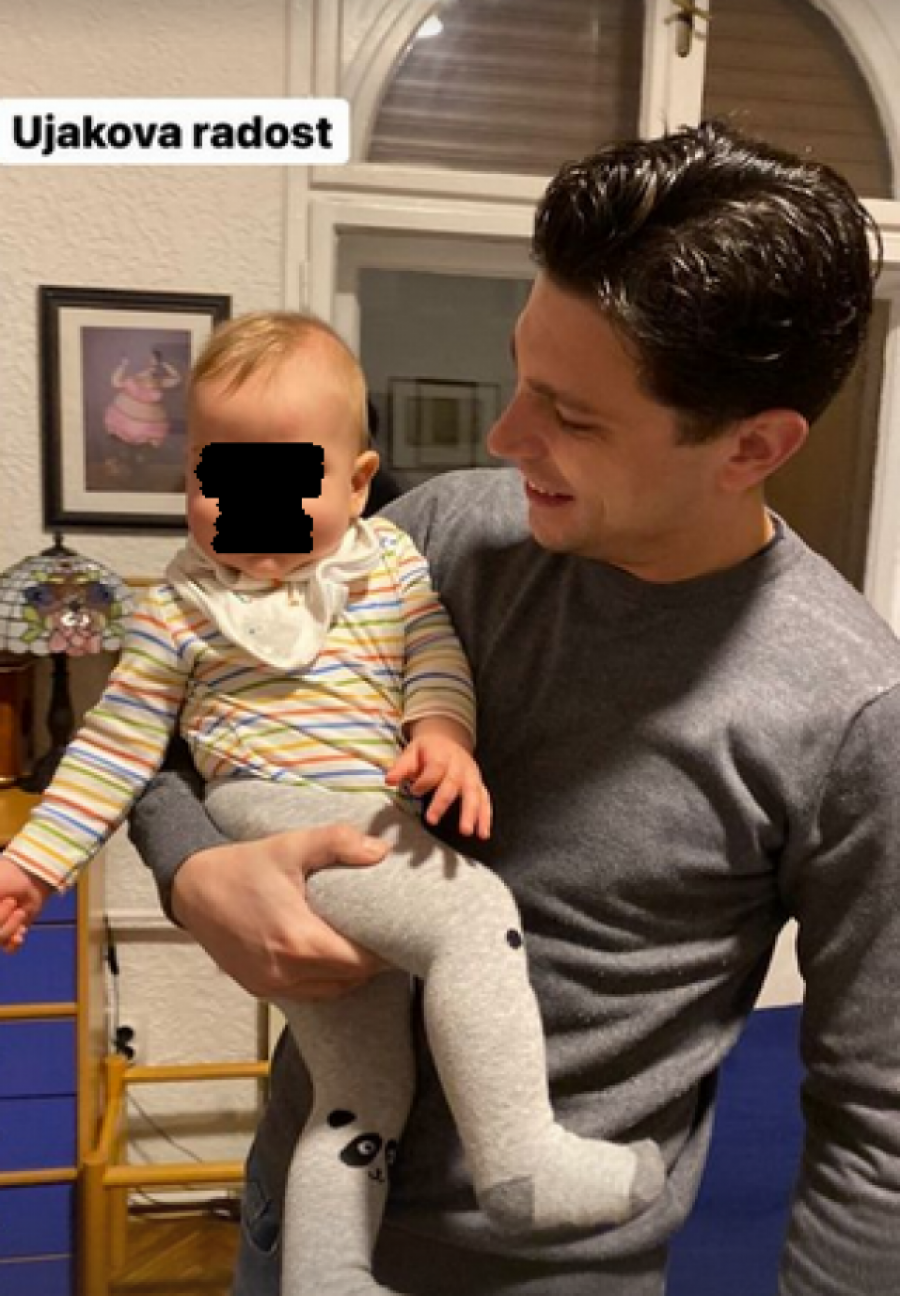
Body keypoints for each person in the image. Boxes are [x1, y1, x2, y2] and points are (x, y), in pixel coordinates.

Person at [130, 121, 900, 1296]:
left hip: (558, 1270)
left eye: (572, 417)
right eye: (522, 375)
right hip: (303, 1219)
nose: (503, 437)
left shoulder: (857, 712)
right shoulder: (437, 538)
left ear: (754, 446)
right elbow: (164, 724)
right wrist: (193, 871)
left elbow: (880, 1122)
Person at [0, 314, 662, 1296]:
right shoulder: (183, 604)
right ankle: (521, 1160)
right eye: (220, 476)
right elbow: (118, 742)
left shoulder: (386, 564)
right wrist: (33, 861)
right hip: (271, 809)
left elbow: (432, 662)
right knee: (473, 912)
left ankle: (328, 1273)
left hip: (372, 811)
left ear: (357, 483)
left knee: (359, 1093)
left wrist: (443, 737)